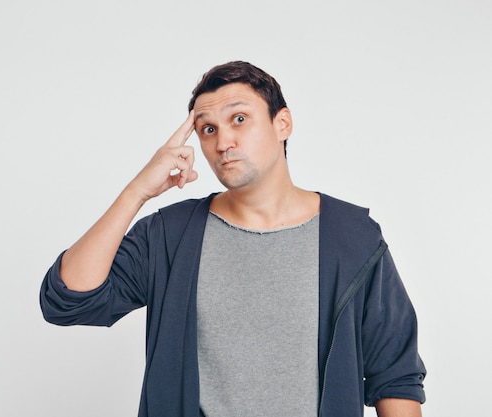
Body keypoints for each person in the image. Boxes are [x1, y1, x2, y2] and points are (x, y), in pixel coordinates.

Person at [40, 61, 426, 417]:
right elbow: (69, 300)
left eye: (239, 119)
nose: (223, 142)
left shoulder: (352, 236)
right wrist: (136, 192)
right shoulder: (171, 234)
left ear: (283, 124)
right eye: (209, 129)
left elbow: (394, 375)